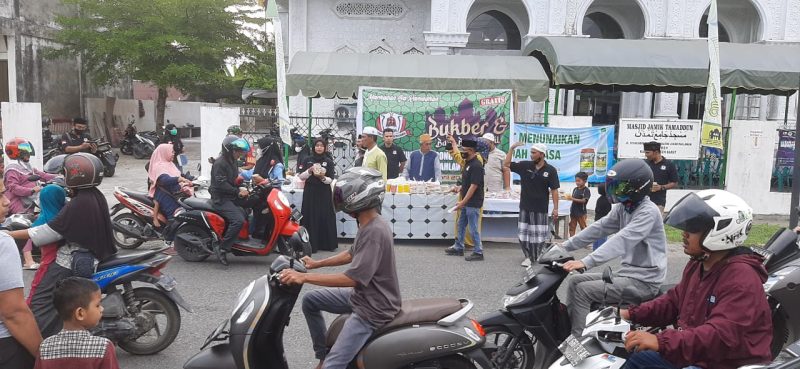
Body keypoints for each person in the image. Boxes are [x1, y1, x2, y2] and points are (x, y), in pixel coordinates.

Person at [621, 190, 772, 369]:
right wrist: (630, 314)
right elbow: (673, 301)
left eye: (693, 229)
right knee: (633, 357)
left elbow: (720, 335)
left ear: (721, 230)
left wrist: (661, 341)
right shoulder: (699, 263)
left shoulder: (741, 277)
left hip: (725, 362)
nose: (684, 234)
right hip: (698, 353)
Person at [280, 167, 400, 369]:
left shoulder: (374, 231)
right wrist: (317, 264)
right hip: (363, 296)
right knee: (310, 301)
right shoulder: (369, 223)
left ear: (357, 198)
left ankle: (329, 362)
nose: (338, 199)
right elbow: (351, 254)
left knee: (333, 366)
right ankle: (323, 355)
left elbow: (352, 279)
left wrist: (304, 278)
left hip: (373, 308)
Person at [6, 153, 116, 338]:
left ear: (75, 175)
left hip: (70, 259)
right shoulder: (93, 195)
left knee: (41, 300)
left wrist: (8, 235)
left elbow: (50, 232)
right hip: (94, 254)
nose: (64, 178)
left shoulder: (80, 203)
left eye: (65, 174)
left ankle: (38, 339)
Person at [559, 159, 666, 337]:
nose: (616, 191)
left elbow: (623, 240)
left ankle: (579, 343)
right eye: (615, 186)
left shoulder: (648, 211)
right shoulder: (624, 208)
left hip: (645, 281)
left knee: (583, 291)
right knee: (575, 282)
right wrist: (564, 246)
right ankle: (572, 330)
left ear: (638, 188)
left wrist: (586, 261)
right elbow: (599, 227)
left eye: (622, 187)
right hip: (627, 274)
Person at [0, 178, 42, 369]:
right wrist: (42, 357)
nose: (6, 201)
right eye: (0, 195)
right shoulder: (2, 243)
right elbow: (13, 312)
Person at [35, 277, 119, 369]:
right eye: (97, 305)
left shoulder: (45, 348)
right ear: (80, 313)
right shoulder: (104, 347)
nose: (102, 309)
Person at [4, 138, 57, 269]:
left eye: (28, 150)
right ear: (17, 152)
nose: (28, 153)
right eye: (25, 150)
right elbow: (13, 187)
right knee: (26, 227)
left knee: (39, 222)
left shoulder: (26, 167)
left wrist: (60, 177)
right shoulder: (12, 169)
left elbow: (41, 175)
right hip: (16, 202)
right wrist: (31, 189)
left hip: (30, 200)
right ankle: (28, 261)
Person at [504, 142, 560, 267]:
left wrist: (556, 209)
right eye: (531, 152)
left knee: (539, 235)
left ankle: (536, 255)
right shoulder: (525, 165)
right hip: (525, 206)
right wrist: (512, 148)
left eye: (534, 153)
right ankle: (528, 256)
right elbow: (506, 164)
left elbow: (555, 190)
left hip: (540, 208)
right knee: (523, 234)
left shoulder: (550, 170)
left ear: (542, 154)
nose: (531, 155)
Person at [209, 136, 251, 266]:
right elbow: (221, 184)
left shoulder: (232, 161)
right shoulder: (220, 163)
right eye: (238, 151)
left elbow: (232, 180)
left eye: (241, 151)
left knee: (250, 206)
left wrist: (243, 185)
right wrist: (238, 191)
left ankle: (241, 239)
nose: (240, 154)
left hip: (230, 195)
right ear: (229, 150)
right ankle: (223, 248)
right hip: (220, 198)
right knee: (238, 220)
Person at [24, 185, 67, 305]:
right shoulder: (65, 217)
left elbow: (30, 233)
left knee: (35, 292)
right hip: (63, 262)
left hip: (47, 263)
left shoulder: (45, 220)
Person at [444, 139, 485, 261]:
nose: (462, 152)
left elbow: (474, 186)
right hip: (466, 201)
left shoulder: (476, 165)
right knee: (460, 224)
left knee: (472, 228)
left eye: (464, 150)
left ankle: (478, 252)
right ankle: (459, 247)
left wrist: (463, 201)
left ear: (471, 150)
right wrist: (458, 188)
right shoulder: (468, 163)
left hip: (473, 201)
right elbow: (467, 184)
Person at [148, 144, 193, 252]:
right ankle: (168, 241)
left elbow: (180, 174)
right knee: (175, 216)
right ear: (164, 152)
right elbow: (164, 180)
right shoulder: (159, 165)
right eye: (172, 152)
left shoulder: (169, 163)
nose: (173, 153)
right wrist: (179, 179)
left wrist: (192, 178)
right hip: (164, 195)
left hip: (174, 193)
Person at [299, 138, 338, 253]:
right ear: (313, 147)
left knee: (324, 215)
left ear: (325, 147)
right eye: (317, 145)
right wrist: (309, 171)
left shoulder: (329, 161)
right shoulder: (307, 160)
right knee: (310, 216)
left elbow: (331, 179)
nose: (319, 148)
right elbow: (301, 177)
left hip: (324, 192)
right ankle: (310, 244)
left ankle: (326, 244)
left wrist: (322, 177)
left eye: (321, 146)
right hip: (310, 192)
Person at [644, 141, 678, 216]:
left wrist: (661, 187)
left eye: (648, 152)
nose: (646, 155)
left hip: (658, 202)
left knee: (655, 225)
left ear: (656, 152)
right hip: (643, 200)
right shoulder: (645, 164)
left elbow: (674, 183)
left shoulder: (669, 165)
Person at [567, 172, 591, 237]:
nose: (577, 182)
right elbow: (572, 198)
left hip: (581, 213)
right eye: (576, 181)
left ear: (585, 181)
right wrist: (568, 198)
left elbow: (584, 200)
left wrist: (572, 199)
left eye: (579, 181)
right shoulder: (575, 189)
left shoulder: (586, 190)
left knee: (583, 228)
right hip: (573, 212)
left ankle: (585, 242)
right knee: (572, 227)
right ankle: (571, 240)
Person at [591, 183, 611, 250]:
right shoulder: (608, 200)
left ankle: (595, 249)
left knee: (596, 236)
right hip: (604, 221)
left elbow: (597, 210)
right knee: (602, 237)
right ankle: (600, 250)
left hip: (597, 219)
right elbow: (608, 211)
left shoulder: (599, 199)